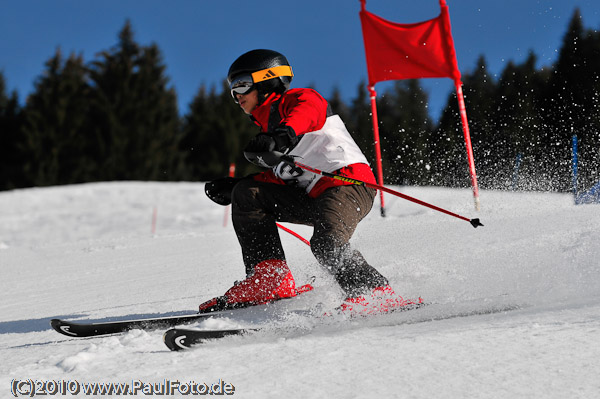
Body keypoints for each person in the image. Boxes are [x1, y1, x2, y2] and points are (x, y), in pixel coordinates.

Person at [200, 49, 411, 315]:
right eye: (232, 89)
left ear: (267, 80)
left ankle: (373, 293)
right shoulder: (268, 130)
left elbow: (307, 112)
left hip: (348, 185)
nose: (236, 95)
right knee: (247, 193)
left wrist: (282, 135)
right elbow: (285, 174)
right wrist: (238, 186)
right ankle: (270, 280)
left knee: (326, 244)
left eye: (241, 84)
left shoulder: (298, 100)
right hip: (312, 196)